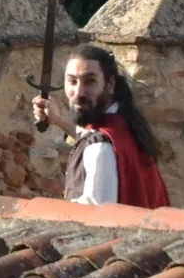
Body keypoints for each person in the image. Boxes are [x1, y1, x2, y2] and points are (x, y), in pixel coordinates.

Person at [32, 44, 170, 208]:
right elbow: (90, 138)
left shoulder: (101, 147)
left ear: (110, 84)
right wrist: (58, 120)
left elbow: (95, 218)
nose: (79, 92)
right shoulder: (121, 123)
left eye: (89, 82)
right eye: (72, 81)